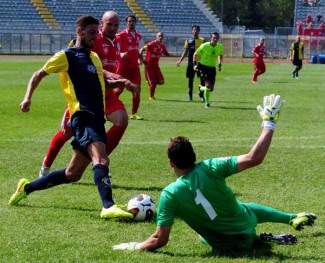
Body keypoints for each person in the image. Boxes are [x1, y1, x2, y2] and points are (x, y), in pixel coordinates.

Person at [111, 94, 317, 252]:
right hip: (244, 230)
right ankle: (290, 218)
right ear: (194, 155)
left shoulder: (169, 195)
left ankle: (260, 238)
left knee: (204, 235)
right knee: (245, 209)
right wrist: (269, 123)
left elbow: (159, 239)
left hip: (224, 245)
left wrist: (134, 246)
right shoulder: (211, 166)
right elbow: (255, 158)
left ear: (170, 163)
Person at [8, 15, 133, 220]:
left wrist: (120, 83)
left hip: (96, 117)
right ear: (79, 32)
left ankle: (26, 188)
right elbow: (38, 74)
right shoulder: (66, 55)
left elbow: (100, 84)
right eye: (92, 32)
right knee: (101, 158)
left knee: (72, 174)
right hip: (82, 116)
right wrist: (27, 98)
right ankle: (108, 205)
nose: (95, 37)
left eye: (96, 32)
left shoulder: (94, 57)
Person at [39, 11, 135, 177]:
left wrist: (118, 79)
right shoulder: (92, 39)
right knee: (66, 134)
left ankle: (100, 161)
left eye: (116, 25)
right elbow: (87, 62)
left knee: (122, 120)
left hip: (107, 94)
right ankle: (46, 165)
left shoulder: (118, 41)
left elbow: (111, 60)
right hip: (86, 96)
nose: (113, 28)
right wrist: (110, 75)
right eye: (109, 24)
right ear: (102, 24)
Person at [116, 13, 146, 120]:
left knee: (137, 89)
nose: (131, 23)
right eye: (129, 21)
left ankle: (134, 113)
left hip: (134, 68)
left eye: (133, 21)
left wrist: (140, 58)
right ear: (126, 23)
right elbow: (116, 49)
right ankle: (109, 108)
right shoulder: (120, 35)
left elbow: (136, 49)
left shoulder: (138, 36)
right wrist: (120, 54)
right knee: (119, 90)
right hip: (123, 67)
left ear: (135, 22)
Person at [193, 32, 223, 108]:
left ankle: (201, 88)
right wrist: (194, 65)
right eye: (214, 37)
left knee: (211, 89)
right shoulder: (204, 45)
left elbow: (220, 55)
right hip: (203, 67)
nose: (215, 39)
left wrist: (219, 63)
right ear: (211, 38)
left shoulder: (219, 46)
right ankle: (207, 104)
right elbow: (195, 54)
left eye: (216, 38)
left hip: (212, 68)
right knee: (208, 86)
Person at [139, 32, 172, 100]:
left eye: (161, 36)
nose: (160, 37)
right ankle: (151, 97)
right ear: (156, 37)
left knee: (161, 81)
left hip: (156, 67)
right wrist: (141, 59)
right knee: (153, 84)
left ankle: (149, 81)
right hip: (149, 66)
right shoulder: (151, 44)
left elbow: (165, 53)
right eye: (159, 36)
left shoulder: (162, 45)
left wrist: (169, 54)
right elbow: (141, 50)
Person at [176, 25, 205, 102]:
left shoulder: (202, 40)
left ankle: (201, 95)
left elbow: (205, 51)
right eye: (194, 30)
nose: (195, 31)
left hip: (200, 63)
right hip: (191, 64)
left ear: (199, 31)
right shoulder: (188, 40)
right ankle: (190, 96)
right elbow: (185, 52)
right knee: (190, 80)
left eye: (196, 30)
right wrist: (180, 61)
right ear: (192, 31)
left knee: (202, 80)